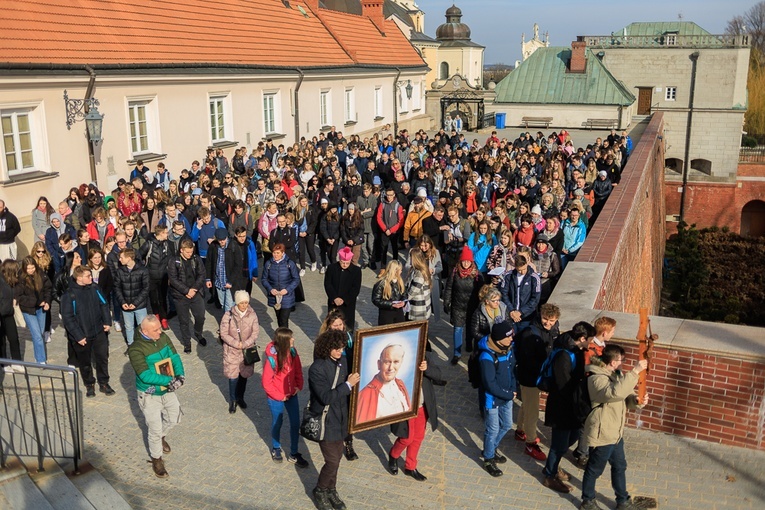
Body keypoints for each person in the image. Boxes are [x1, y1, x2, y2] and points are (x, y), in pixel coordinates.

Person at [579, 345, 648, 510]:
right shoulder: (595, 377)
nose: (622, 363)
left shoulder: (616, 374)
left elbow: (625, 396)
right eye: (620, 360)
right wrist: (634, 372)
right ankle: (587, 501)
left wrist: (637, 401)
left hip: (615, 431)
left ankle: (622, 500)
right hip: (603, 431)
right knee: (595, 469)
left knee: (620, 465)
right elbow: (613, 394)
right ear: (611, 361)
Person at [541, 321, 596, 494]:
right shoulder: (564, 355)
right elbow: (563, 384)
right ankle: (550, 475)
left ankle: (552, 467)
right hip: (562, 407)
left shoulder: (576, 350)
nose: (591, 343)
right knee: (559, 444)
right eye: (590, 339)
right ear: (581, 338)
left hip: (572, 405)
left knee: (571, 437)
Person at [128, 316, 185, 478]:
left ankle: (160, 436)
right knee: (154, 428)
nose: (160, 331)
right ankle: (156, 458)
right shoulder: (135, 349)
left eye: (160, 328)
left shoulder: (163, 337)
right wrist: (170, 380)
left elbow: (174, 357)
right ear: (145, 331)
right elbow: (145, 375)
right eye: (156, 330)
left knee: (175, 417)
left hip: (167, 389)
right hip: (149, 393)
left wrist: (180, 375)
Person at [309, 329, 360, 510]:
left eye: (341, 348)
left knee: (337, 457)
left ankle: (331, 489)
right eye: (336, 348)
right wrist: (347, 385)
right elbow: (325, 397)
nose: (340, 352)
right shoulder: (317, 368)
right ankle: (320, 490)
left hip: (341, 418)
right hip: (326, 420)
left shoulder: (341, 362)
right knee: (332, 461)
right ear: (327, 347)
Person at [514, 303, 561, 461]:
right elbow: (527, 359)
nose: (548, 323)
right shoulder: (530, 333)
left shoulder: (553, 330)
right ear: (540, 316)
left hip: (536, 375)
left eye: (552, 320)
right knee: (533, 411)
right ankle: (530, 442)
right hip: (530, 377)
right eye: (545, 319)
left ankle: (520, 430)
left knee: (527, 404)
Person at [388, 345, 439, 482]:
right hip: (406, 408)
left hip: (422, 407)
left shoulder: (424, 358)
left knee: (418, 437)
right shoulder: (397, 361)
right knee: (407, 438)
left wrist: (427, 368)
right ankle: (393, 455)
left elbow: (439, 376)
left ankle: (410, 466)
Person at [60, 265, 114, 397]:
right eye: (88, 276)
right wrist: (78, 336)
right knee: (85, 363)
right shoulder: (69, 295)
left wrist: (107, 321)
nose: (91, 278)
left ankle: (104, 383)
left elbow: (104, 304)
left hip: (99, 332)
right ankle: (89, 384)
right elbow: (68, 318)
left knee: (102, 358)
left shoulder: (94, 288)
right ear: (79, 278)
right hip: (82, 335)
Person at [262, 327, 308, 467]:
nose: (293, 339)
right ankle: (276, 447)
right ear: (283, 342)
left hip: (291, 394)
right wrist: (279, 395)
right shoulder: (272, 358)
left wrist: (298, 386)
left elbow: (298, 370)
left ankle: (294, 453)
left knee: (295, 423)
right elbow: (266, 382)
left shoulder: (293, 352)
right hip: (276, 397)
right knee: (278, 422)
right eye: (290, 338)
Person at [478, 322, 517, 477]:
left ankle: (491, 448)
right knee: (492, 429)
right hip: (492, 399)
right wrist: (508, 395)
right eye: (509, 336)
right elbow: (489, 384)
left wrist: (513, 389)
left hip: (507, 395)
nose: (512, 338)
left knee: (507, 425)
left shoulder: (508, 348)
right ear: (500, 339)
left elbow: (513, 371)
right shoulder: (487, 356)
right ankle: (488, 458)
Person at [220, 290, 259, 414]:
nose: (244, 305)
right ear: (237, 303)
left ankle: (240, 397)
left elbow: (255, 332)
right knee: (232, 377)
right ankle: (233, 400)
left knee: (244, 376)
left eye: (246, 302)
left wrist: (245, 344)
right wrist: (237, 344)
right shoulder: (228, 315)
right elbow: (224, 334)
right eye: (242, 303)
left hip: (246, 351)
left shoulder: (252, 315)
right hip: (232, 351)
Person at [443, 245, 484, 363]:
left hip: (472, 306)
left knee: (471, 328)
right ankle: (457, 353)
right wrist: (446, 302)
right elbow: (449, 288)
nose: (465, 264)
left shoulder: (477, 274)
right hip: (458, 306)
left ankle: (469, 344)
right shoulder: (455, 272)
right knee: (457, 329)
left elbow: (481, 292)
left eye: (468, 261)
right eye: (463, 261)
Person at [167, 238, 208, 353]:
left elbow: (201, 275)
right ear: (181, 250)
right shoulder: (173, 261)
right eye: (188, 252)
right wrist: (186, 291)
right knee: (184, 321)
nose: (190, 254)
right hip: (180, 295)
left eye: (191, 251)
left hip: (195, 293)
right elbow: (173, 280)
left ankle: (198, 333)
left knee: (200, 316)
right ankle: (187, 342)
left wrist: (194, 289)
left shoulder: (196, 259)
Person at [356, 344, 411, 423]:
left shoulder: (400, 384)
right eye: (387, 362)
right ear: (379, 364)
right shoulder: (366, 394)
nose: (391, 368)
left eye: (396, 362)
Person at [14, 257, 53, 364]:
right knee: (37, 336)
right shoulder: (20, 278)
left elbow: (48, 289)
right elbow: (20, 297)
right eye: (29, 268)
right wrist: (36, 302)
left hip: (41, 309)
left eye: (33, 268)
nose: (31, 270)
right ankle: (41, 360)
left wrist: (47, 302)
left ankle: (37, 354)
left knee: (39, 334)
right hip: (28, 310)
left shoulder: (41, 274)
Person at [138, 225, 172, 330]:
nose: (167, 234)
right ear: (160, 233)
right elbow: (139, 256)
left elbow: (170, 259)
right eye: (166, 232)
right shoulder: (149, 244)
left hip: (163, 276)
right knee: (153, 299)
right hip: (151, 276)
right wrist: (144, 270)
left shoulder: (166, 244)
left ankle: (164, 318)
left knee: (162, 298)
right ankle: (156, 315)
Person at [114, 247, 150, 345]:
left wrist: (135, 303)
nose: (119, 260)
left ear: (129, 258)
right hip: (125, 305)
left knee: (142, 326)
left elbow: (146, 288)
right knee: (128, 327)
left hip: (140, 305)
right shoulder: (120, 271)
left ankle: (144, 345)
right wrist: (123, 302)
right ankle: (131, 346)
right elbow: (117, 288)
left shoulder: (143, 270)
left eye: (121, 257)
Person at [261, 243, 300, 328]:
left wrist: (287, 290)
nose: (275, 255)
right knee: (279, 318)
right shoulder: (268, 264)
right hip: (274, 297)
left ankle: (285, 339)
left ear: (283, 253)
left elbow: (296, 279)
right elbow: (264, 279)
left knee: (284, 319)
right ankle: (281, 337)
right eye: (274, 253)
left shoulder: (290, 263)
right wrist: (270, 289)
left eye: (278, 253)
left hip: (287, 296)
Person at [500, 254, 541, 333]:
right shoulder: (508, 276)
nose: (522, 272)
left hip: (527, 316)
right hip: (511, 315)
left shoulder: (534, 277)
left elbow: (535, 299)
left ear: (527, 264)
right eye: (519, 270)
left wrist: (521, 312)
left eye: (524, 269)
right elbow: (504, 294)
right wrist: (511, 310)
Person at [204, 227, 243, 312]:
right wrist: (208, 278)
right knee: (222, 303)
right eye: (219, 240)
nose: (222, 242)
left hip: (229, 282)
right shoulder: (213, 246)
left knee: (229, 306)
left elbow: (238, 265)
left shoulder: (234, 246)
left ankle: (229, 324)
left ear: (227, 237)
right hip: (218, 282)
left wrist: (231, 281)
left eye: (223, 239)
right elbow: (209, 262)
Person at [324, 247, 362, 331]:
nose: (344, 265)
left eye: (347, 263)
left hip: (347, 304)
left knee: (347, 326)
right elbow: (328, 284)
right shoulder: (331, 268)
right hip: (334, 302)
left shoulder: (356, 271)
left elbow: (355, 288)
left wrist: (344, 299)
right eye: (342, 262)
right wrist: (334, 297)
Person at [469, 285, 508, 354]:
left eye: (498, 300)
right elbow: (474, 332)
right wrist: (489, 339)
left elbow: (508, 325)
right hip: (484, 345)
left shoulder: (503, 309)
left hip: (501, 345)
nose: (497, 303)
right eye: (494, 301)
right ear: (487, 301)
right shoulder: (478, 312)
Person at [0, 260, 22, 372]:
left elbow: (17, 291)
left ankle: (17, 361)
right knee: (1, 340)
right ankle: (4, 363)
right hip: (1, 314)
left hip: (9, 313)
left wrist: (16, 298)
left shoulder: (12, 280)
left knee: (13, 337)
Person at [371, 260, 407, 326]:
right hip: (386, 313)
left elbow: (404, 294)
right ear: (395, 271)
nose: (401, 271)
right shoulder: (381, 283)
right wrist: (391, 304)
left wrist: (403, 302)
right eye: (400, 270)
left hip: (399, 312)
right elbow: (376, 299)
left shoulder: (400, 282)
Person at [405, 249, 431, 322]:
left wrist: (404, 298)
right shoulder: (415, 269)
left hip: (418, 307)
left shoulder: (419, 273)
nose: (409, 259)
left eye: (410, 257)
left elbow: (414, 290)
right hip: (418, 305)